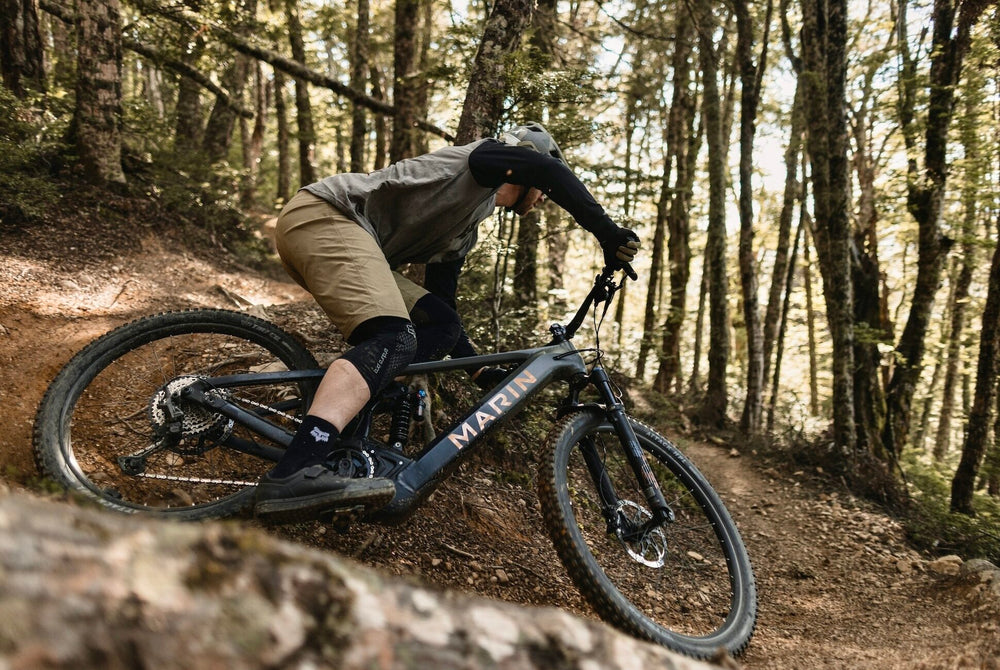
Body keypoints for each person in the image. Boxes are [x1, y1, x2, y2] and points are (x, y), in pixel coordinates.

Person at [254, 122, 640, 523]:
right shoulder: (482, 159)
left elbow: (442, 304)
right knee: (394, 337)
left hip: (339, 236)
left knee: (439, 324)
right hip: (325, 216)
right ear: (527, 164)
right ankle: (295, 470)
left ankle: (342, 437)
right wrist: (607, 233)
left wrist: (478, 370)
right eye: (541, 187)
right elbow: (548, 172)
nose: (544, 197)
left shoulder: (465, 228)